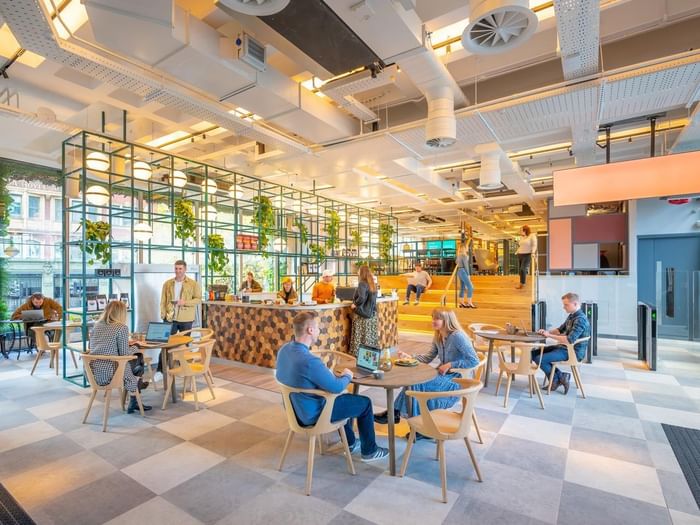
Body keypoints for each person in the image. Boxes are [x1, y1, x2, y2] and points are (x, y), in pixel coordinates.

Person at [276, 312, 389, 462]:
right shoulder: (310, 361)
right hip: (314, 415)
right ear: (310, 330)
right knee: (364, 403)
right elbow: (336, 387)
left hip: (295, 411)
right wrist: (347, 376)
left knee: (344, 399)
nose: (319, 330)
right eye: (317, 327)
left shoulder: (284, 350)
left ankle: (350, 443)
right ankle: (370, 451)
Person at [375, 308, 479, 437]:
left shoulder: (457, 336)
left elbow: (474, 360)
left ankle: (402, 418)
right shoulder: (439, 336)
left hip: (458, 379)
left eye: (437, 318)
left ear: (447, 320)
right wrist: (410, 357)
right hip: (444, 374)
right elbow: (428, 357)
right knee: (413, 381)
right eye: (433, 318)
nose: (433, 321)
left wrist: (450, 364)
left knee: (416, 384)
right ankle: (403, 417)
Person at [89, 300, 151, 414]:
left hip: (93, 372)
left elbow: (96, 347)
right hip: (111, 374)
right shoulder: (121, 327)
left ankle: (137, 389)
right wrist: (137, 346)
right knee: (138, 359)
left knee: (135, 362)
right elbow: (124, 354)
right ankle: (135, 393)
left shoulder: (96, 326)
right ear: (121, 313)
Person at [535, 292, 590, 394]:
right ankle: (561, 377)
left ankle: (556, 380)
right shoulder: (572, 316)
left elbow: (569, 340)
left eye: (566, 305)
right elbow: (560, 330)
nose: (564, 307)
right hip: (564, 348)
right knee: (533, 354)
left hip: (573, 352)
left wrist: (549, 335)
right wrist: (546, 332)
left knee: (540, 359)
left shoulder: (580, 319)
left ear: (575, 304)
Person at [160, 260, 202, 335]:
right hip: (170, 318)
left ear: (185, 269)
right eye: (176, 268)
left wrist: (185, 302)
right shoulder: (167, 284)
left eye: (180, 269)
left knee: (185, 341)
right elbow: (163, 300)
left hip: (186, 319)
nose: (177, 271)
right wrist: (163, 316)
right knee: (168, 340)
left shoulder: (193, 284)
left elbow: (198, 299)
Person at [349, 265, 378, 357]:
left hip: (362, 315)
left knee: (361, 334)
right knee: (369, 335)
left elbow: (361, 297)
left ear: (362, 272)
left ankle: (359, 354)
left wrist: (355, 304)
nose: (357, 272)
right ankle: (369, 354)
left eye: (359, 271)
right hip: (371, 314)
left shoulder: (362, 283)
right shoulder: (372, 283)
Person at [515, 225, 537, 289]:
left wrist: (533, 252)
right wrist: (517, 251)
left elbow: (534, 245)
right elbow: (521, 246)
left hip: (527, 255)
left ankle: (522, 283)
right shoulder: (521, 237)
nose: (520, 231)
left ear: (525, 230)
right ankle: (521, 282)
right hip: (520, 255)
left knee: (523, 269)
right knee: (520, 271)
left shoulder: (532, 236)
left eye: (521, 230)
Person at [456, 243, 476, 308]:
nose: (467, 248)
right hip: (463, 271)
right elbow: (466, 266)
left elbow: (456, 262)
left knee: (462, 287)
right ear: (464, 248)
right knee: (470, 287)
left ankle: (461, 303)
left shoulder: (458, 255)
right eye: (466, 247)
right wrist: (468, 274)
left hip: (459, 271)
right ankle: (469, 303)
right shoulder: (464, 256)